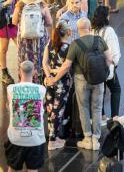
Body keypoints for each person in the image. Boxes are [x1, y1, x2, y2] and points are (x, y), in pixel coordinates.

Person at [46, 17, 113, 151]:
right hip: (99, 79)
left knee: (84, 108)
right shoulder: (99, 40)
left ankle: (87, 139)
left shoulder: (75, 44)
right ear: (90, 28)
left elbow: (66, 66)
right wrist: (102, 72)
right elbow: (109, 58)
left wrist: (53, 79)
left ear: (78, 29)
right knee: (97, 108)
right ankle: (96, 140)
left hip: (81, 79)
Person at [4, 61, 46, 172]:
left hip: (16, 139)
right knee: (33, 170)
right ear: (34, 72)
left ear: (19, 72)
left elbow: (9, 108)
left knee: (12, 168)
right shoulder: (42, 89)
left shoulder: (10, 89)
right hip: (35, 139)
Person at [12, 0, 53, 84]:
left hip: (24, 40)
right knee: (41, 59)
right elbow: (49, 22)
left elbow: (14, 21)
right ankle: (40, 81)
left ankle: (25, 80)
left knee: (24, 59)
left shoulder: (19, 6)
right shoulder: (43, 6)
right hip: (39, 40)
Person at [42, 20, 73, 150]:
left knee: (50, 109)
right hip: (61, 82)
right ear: (68, 32)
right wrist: (55, 78)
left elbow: (44, 62)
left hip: (49, 80)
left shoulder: (50, 44)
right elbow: (66, 68)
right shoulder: (69, 48)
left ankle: (51, 135)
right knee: (57, 110)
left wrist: (49, 76)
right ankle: (52, 140)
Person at [92, 6, 122, 120]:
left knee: (101, 90)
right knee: (116, 89)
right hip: (107, 65)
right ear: (106, 17)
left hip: (95, 65)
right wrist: (114, 64)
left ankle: (102, 116)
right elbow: (114, 52)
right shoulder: (108, 31)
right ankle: (115, 116)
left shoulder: (92, 29)